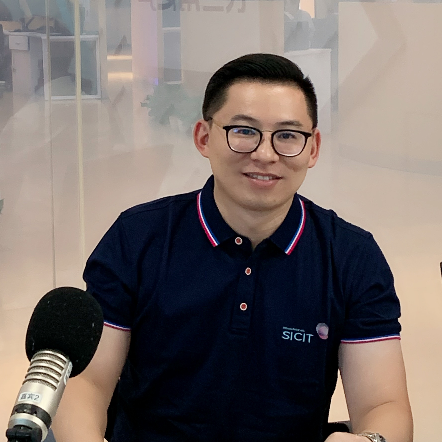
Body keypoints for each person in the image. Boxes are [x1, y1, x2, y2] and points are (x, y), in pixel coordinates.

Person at [52, 53, 413, 442]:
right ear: (203, 138)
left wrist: (372, 439)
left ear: (313, 148)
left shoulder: (352, 257)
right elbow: (86, 382)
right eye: (243, 130)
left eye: (287, 135)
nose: (265, 154)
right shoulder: (138, 237)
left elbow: (383, 405)